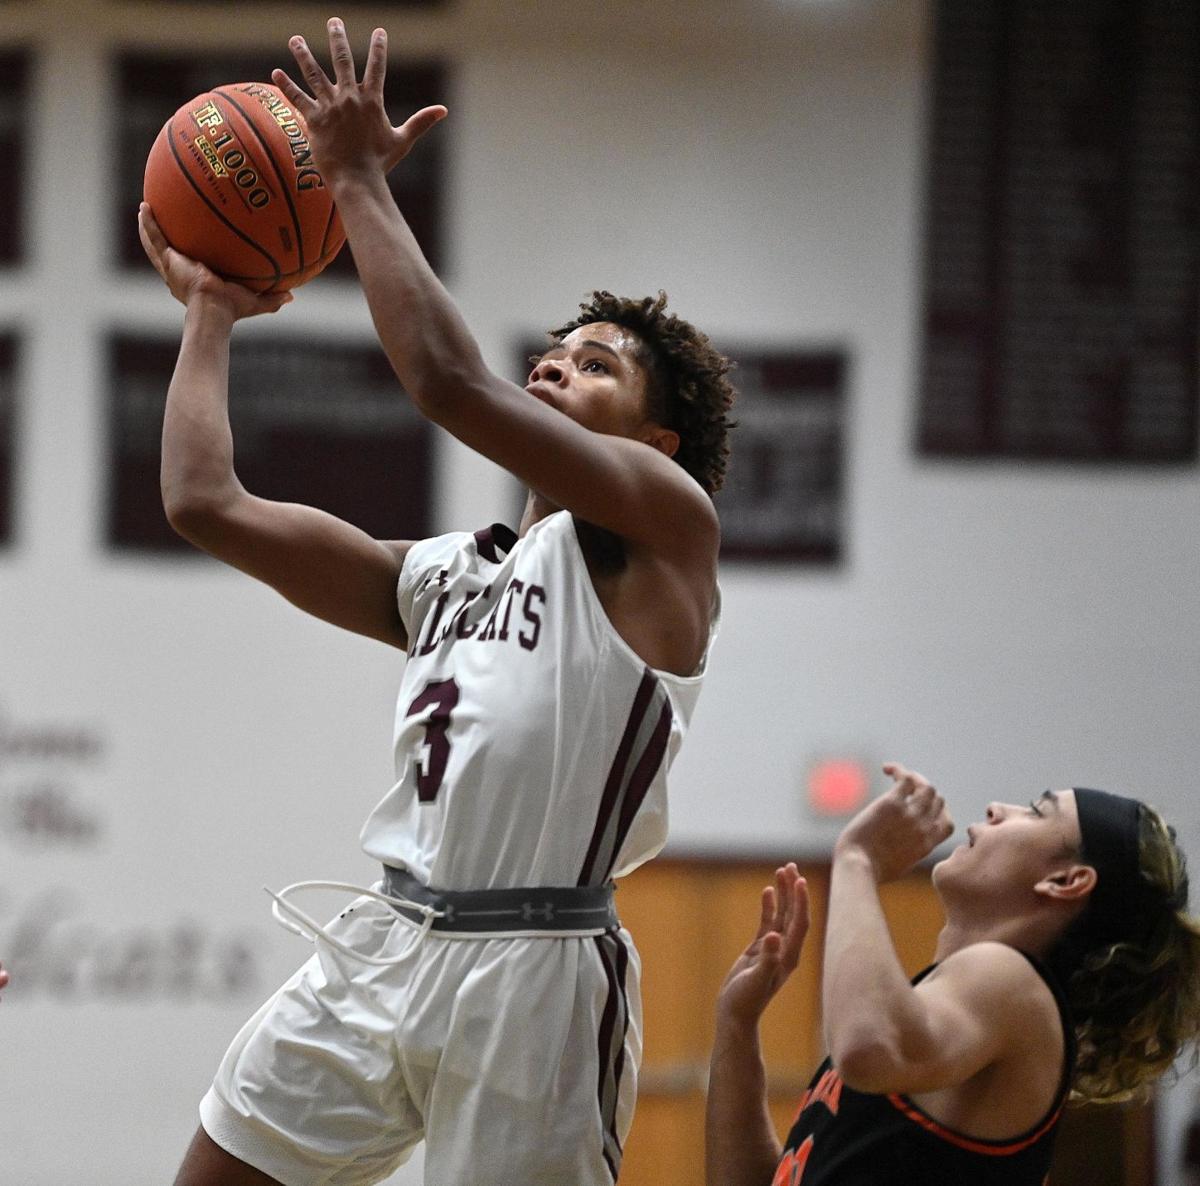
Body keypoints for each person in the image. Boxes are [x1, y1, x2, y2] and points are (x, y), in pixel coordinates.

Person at [139, 17, 733, 1186]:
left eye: (598, 362)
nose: (558, 362)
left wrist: (352, 175)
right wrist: (209, 312)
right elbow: (204, 501)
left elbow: (445, 381)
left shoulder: (666, 532)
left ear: (660, 443)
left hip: (536, 971)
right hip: (387, 939)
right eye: (556, 350)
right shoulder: (451, 571)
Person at [707, 763, 1200, 1186]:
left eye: (1035, 811)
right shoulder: (945, 1015)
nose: (996, 809)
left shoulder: (1015, 983)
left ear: (1065, 881)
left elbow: (869, 1048)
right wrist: (737, 1022)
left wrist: (856, 862)